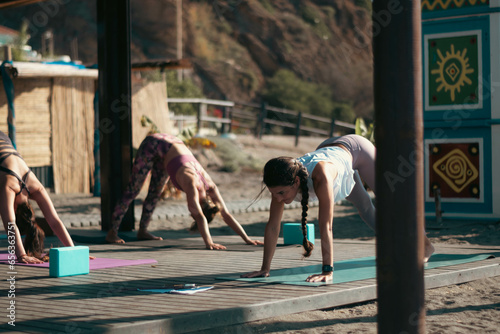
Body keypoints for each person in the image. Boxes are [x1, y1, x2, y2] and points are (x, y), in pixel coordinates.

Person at [242, 134, 435, 282]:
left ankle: (426, 246)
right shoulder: (281, 181)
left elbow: (326, 226)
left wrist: (327, 270)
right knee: (365, 207)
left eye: (281, 193)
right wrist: (265, 268)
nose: (277, 198)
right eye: (274, 194)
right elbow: (273, 226)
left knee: (391, 199)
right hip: (327, 148)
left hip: (357, 149)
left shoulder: (321, 177)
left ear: (297, 182)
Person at [105, 132, 263, 249]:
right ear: (201, 204)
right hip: (155, 143)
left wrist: (247, 239)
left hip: (171, 150)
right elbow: (200, 217)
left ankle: (143, 231)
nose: (191, 212)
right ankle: (112, 232)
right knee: (133, 190)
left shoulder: (211, 187)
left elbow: (226, 214)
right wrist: (209, 242)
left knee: (154, 194)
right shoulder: (192, 183)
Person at [0, 131, 82, 264]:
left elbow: (55, 222)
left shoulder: (34, 186)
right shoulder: (10, 186)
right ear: (15, 210)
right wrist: (21, 255)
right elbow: (10, 223)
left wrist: (73, 250)